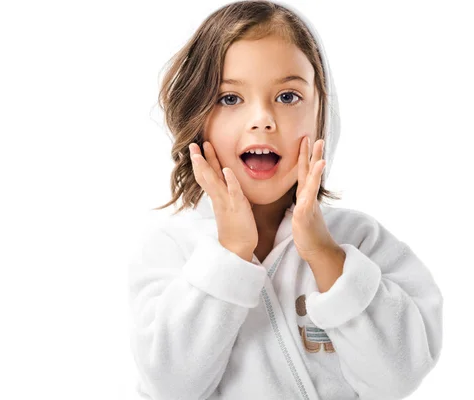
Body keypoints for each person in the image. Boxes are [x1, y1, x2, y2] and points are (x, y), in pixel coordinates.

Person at [127, 1, 444, 399]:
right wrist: (231, 252)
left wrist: (325, 254)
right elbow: (171, 386)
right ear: (197, 118)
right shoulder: (170, 249)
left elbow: (399, 377)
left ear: (321, 114)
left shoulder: (359, 240)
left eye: (288, 96)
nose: (262, 119)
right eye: (229, 99)